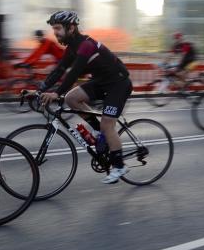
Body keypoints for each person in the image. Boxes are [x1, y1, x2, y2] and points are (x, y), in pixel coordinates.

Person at [38, 11, 133, 184]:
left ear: (71, 27)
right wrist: (40, 90)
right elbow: (59, 70)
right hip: (101, 81)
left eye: (58, 28)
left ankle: (119, 166)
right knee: (71, 98)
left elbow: (73, 74)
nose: (55, 33)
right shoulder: (72, 48)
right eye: (54, 29)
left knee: (107, 124)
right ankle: (99, 132)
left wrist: (55, 93)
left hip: (118, 84)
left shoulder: (86, 45)